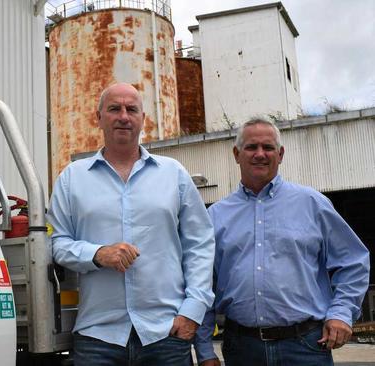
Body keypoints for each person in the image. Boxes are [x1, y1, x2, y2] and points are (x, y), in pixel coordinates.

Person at [47, 83, 215, 366]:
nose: (123, 116)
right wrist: (97, 254)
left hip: (166, 334)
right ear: (97, 118)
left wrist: (192, 311)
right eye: (114, 109)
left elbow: (200, 244)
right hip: (98, 336)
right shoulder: (72, 178)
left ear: (143, 119)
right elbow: (56, 243)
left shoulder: (173, 174)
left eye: (131, 109)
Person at [195, 118, 371, 366]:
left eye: (268, 147)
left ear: (281, 154)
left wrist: (342, 313)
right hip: (242, 350)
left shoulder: (313, 204)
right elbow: (203, 285)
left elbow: (353, 261)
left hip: (306, 347)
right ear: (236, 154)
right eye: (251, 147)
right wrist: (204, 350)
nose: (260, 154)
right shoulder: (216, 216)